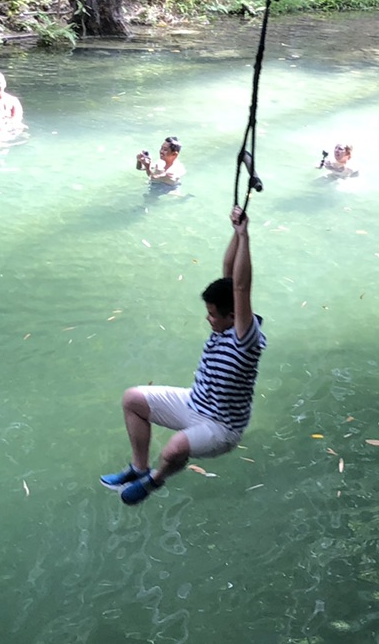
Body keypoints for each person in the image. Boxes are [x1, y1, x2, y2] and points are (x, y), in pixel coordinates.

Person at [104, 208, 265, 506]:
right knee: (132, 399)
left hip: (221, 427)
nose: (208, 319)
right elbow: (230, 275)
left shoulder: (246, 337)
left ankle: (155, 479)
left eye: (212, 315)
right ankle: (138, 467)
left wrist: (246, 235)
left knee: (174, 449)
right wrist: (235, 232)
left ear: (233, 315)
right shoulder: (225, 320)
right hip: (195, 402)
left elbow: (242, 287)